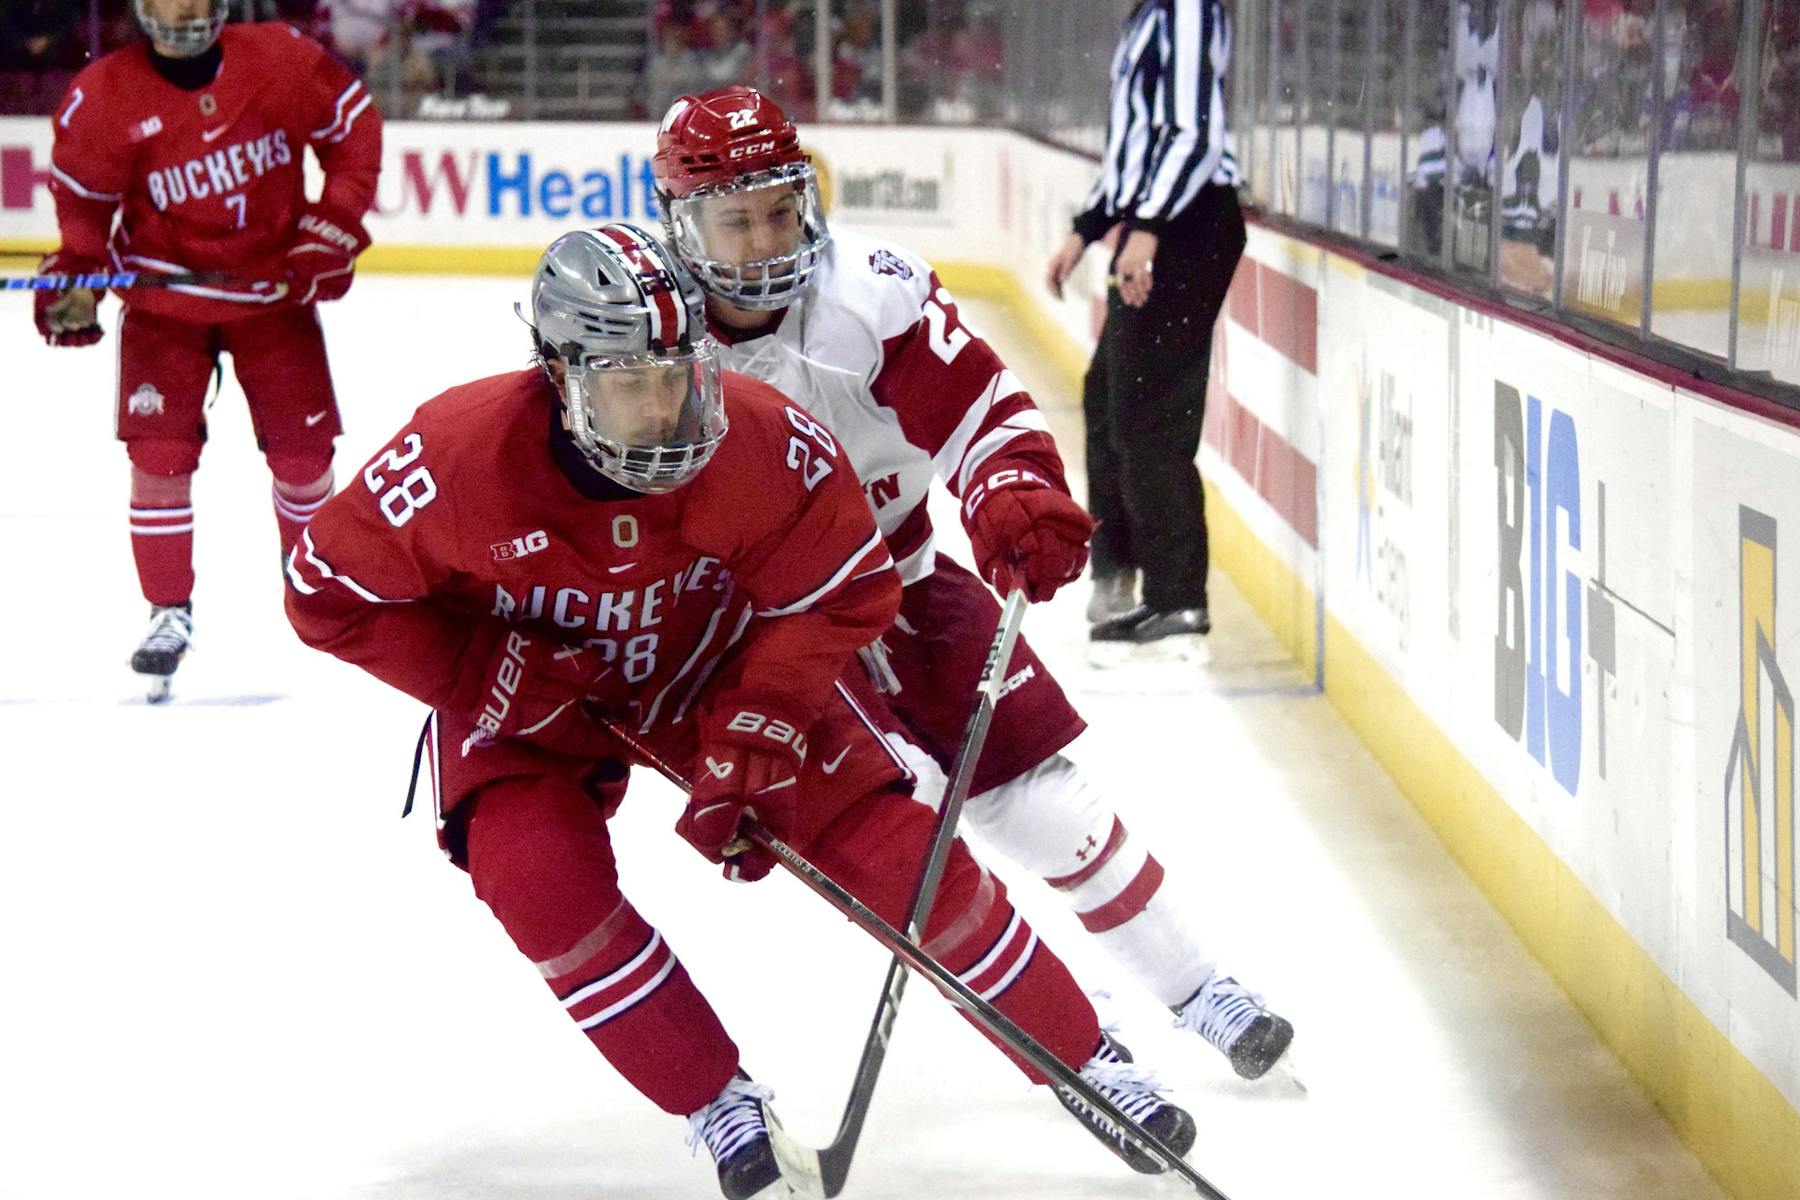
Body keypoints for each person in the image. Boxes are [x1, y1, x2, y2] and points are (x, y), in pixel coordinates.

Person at [284, 224, 1199, 1197]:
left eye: (679, 375)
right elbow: (323, 591)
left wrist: (763, 718)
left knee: (901, 855)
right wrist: (483, 673)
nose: (664, 410)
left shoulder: (759, 436)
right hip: (531, 692)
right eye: (631, 385)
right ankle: (715, 1103)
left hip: (710, 664)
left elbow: (846, 587)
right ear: (558, 373)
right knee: (535, 878)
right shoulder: (454, 455)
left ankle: (1084, 1057)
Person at [650, 85, 1294, 1081]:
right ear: (680, 221)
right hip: (773, 636)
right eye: (736, 221)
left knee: (1046, 803)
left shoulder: (869, 292)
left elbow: (982, 410)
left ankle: (1197, 985)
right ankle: (1069, 1018)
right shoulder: (646, 338)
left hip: (905, 583)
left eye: (781, 208)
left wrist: (1011, 490)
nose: (768, 240)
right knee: (908, 835)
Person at [34, 0, 382, 700]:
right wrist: (76, 280)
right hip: (165, 311)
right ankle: (168, 611)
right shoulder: (102, 96)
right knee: (158, 456)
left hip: (273, 300)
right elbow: (85, 218)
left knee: (304, 457)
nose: (183, 11)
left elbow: (354, 130)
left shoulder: (281, 59)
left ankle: (312, 582)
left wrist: (333, 224)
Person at [1044, 0, 1246, 653]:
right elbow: (1136, 149)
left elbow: (1191, 133)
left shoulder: (1186, 7)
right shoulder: (1150, 16)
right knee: (1109, 398)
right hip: (1163, 222)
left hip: (1187, 226)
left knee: (1149, 414)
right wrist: (1087, 229)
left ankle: (1177, 597)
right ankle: (1123, 572)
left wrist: (1150, 226)